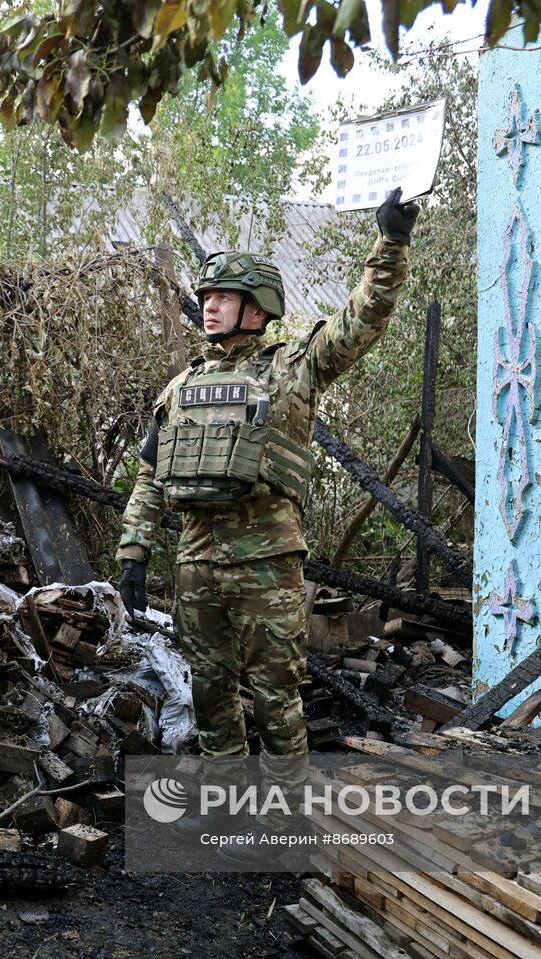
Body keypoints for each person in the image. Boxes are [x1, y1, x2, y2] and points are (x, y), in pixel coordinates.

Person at [116, 189, 418, 790]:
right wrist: (133, 551)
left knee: (278, 696)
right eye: (206, 297)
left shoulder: (295, 367)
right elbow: (151, 474)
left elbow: (365, 319)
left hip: (267, 563)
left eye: (224, 297)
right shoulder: (179, 388)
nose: (210, 307)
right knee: (209, 692)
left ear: (257, 309)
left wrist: (390, 244)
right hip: (197, 563)